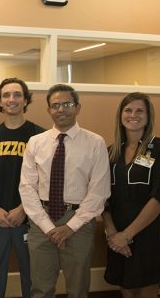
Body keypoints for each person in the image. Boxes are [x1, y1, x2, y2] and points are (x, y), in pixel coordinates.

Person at [19, 84, 111, 298]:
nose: (61, 109)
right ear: (49, 110)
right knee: (41, 288)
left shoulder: (95, 143)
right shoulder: (35, 142)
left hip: (79, 220)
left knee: (78, 288)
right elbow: (27, 187)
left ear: (78, 107)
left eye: (67, 104)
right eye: (55, 105)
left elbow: (99, 191)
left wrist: (71, 226)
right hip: (41, 219)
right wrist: (47, 227)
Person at [103, 92, 160, 297]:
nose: (133, 115)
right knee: (127, 290)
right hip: (117, 233)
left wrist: (128, 235)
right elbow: (103, 197)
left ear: (148, 116)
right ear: (120, 115)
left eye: (139, 111)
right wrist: (113, 234)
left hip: (148, 233)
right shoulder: (111, 152)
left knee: (145, 291)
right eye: (128, 110)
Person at [0, 78, 44, 298]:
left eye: (17, 94)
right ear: (0, 101)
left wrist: (24, 209)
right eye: (6, 95)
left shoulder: (40, 136)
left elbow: (43, 180)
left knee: (32, 273)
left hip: (29, 218)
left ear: (26, 100)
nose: (11, 99)